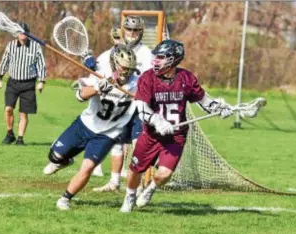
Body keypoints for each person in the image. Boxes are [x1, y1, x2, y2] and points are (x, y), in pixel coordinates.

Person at [120, 40, 234, 213]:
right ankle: (130, 196)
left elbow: (204, 101)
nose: (155, 61)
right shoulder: (147, 78)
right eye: (155, 57)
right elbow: (142, 110)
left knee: (164, 174)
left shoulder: (186, 78)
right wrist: (158, 121)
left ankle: (151, 189)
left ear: (173, 60)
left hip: (176, 135)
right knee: (136, 170)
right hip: (151, 134)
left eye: (160, 58)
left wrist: (218, 107)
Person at [42, 45, 139, 210]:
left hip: (108, 133)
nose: (126, 72)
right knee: (54, 156)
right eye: (123, 68)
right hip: (85, 124)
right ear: (115, 64)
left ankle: (64, 199)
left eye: (129, 69)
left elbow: (151, 95)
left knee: (87, 167)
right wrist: (97, 88)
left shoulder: (138, 83)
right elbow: (79, 95)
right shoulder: (100, 75)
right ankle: (62, 161)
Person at [91, 16, 152, 189]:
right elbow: (102, 67)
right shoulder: (115, 50)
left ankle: (138, 185)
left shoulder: (146, 54)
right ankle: (114, 181)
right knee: (116, 143)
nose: (132, 33)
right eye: (129, 29)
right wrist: (92, 65)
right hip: (120, 105)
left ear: (141, 32)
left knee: (138, 145)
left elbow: (148, 78)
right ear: (123, 30)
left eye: (135, 30)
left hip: (138, 107)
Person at [0, 22, 46, 145]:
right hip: (13, 82)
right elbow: (5, 61)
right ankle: (9, 134)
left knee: (23, 113)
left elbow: (41, 65)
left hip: (28, 84)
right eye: (19, 32)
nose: (22, 34)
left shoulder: (36, 47)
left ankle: (20, 139)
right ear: (16, 34)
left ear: (28, 34)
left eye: (24, 32)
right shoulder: (11, 46)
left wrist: (41, 81)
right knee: (8, 109)